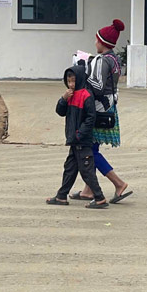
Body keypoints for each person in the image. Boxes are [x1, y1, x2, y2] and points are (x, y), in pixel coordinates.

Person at [69, 19, 133, 204]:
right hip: (108, 106)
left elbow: (97, 86)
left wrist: (82, 70)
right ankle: (88, 190)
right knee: (93, 148)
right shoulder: (114, 59)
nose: (95, 42)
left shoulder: (102, 60)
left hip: (98, 109)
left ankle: (118, 183)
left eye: (97, 39)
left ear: (103, 43)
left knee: (90, 150)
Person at [46, 65, 109, 209]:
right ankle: (61, 196)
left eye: (73, 81)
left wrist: (79, 134)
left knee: (86, 170)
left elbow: (90, 118)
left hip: (81, 140)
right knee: (70, 168)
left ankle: (99, 197)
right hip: (74, 141)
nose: (71, 84)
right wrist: (63, 99)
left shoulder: (86, 95)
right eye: (69, 82)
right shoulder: (70, 95)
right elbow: (60, 112)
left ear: (79, 79)